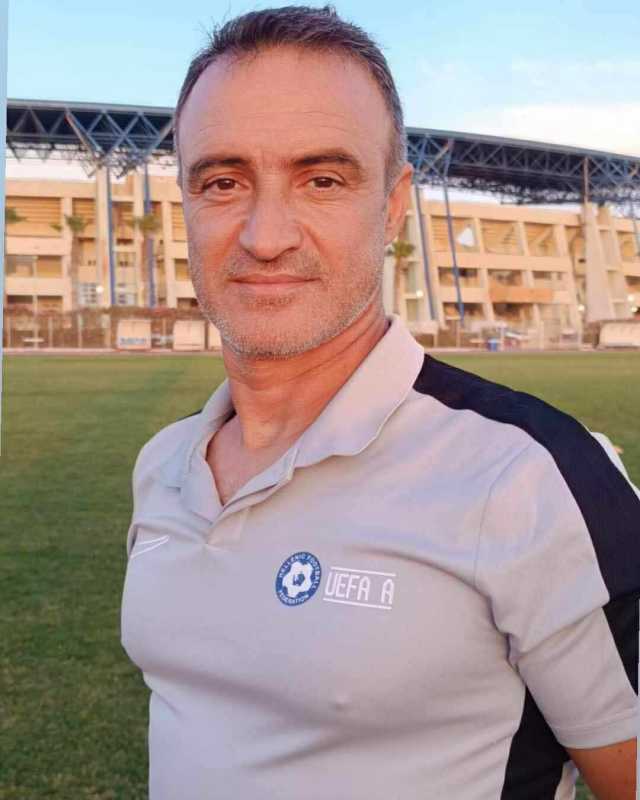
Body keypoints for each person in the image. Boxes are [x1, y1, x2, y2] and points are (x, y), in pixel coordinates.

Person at [120, 6, 639, 799]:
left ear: (393, 207)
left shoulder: (528, 476)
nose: (265, 235)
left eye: (322, 180)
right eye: (223, 182)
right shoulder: (164, 466)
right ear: (185, 202)